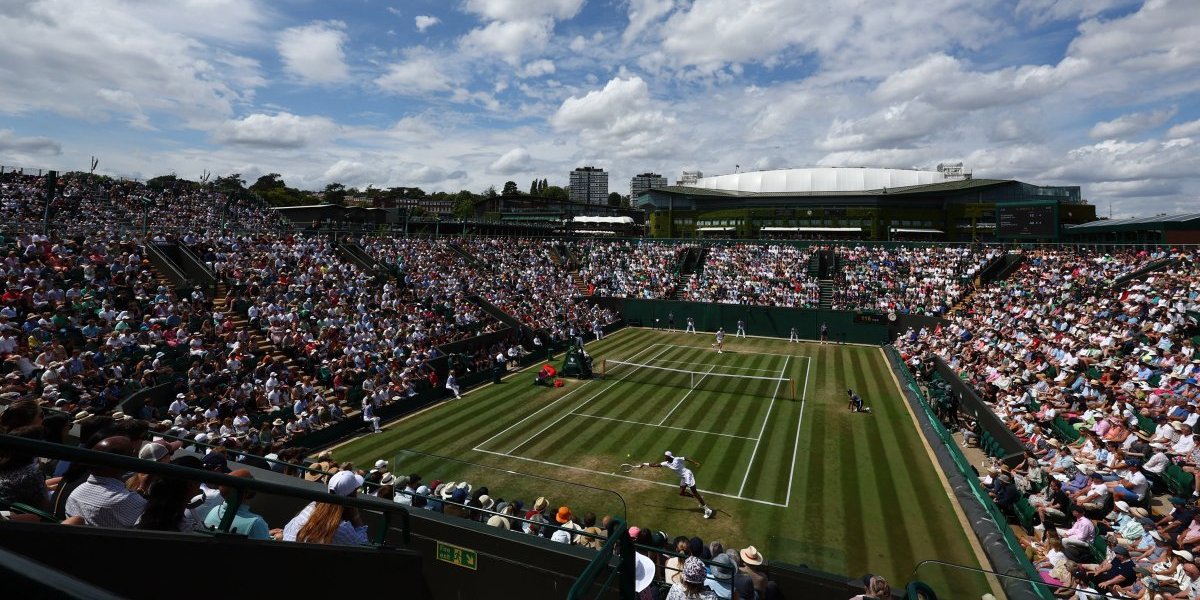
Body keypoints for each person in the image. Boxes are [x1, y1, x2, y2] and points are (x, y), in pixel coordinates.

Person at [64, 436, 147, 528]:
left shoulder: (76, 492)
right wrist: (144, 485)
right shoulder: (125, 500)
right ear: (124, 463)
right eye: (132, 454)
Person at [283, 470, 369, 545]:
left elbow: (287, 531)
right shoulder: (343, 529)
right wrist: (356, 517)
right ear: (353, 495)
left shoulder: (311, 507)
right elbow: (363, 546)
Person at [203, 469, 274, 540]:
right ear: (246, 492)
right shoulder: (256, 523)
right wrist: (275, 538)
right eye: (251, 479)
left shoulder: (214, 510)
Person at [640, 451, 714, 518]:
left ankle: (707, 510)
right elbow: (655, 465)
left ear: (669, 456)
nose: (664, 457)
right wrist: (644, 464)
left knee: (694, 491)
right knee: (682, 493)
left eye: (666, 456)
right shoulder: (666, 463)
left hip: (687, 475)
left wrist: (695, 463)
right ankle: (698, 497)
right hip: (683, 477)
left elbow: (686, 458)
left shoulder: (677, 459)